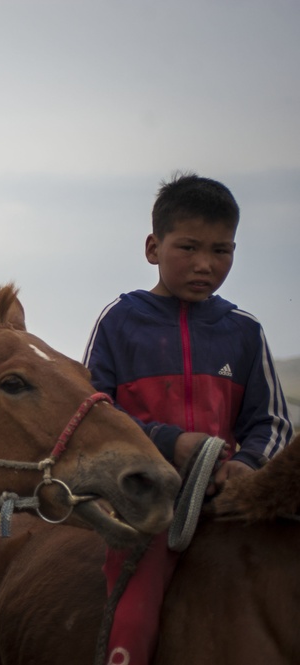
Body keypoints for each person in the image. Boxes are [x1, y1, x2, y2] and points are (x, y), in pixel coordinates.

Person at [82, 172, 294, 665]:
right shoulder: (119, 321)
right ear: (153, 247)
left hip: (231, 500)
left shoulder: (243, 331)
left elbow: (273, 422)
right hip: (147, 503)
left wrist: (250, 467)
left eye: (222, 250)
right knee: (135, 612)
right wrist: (169, 443)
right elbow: (93, 410)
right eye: (189, 248)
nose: (206, 265)